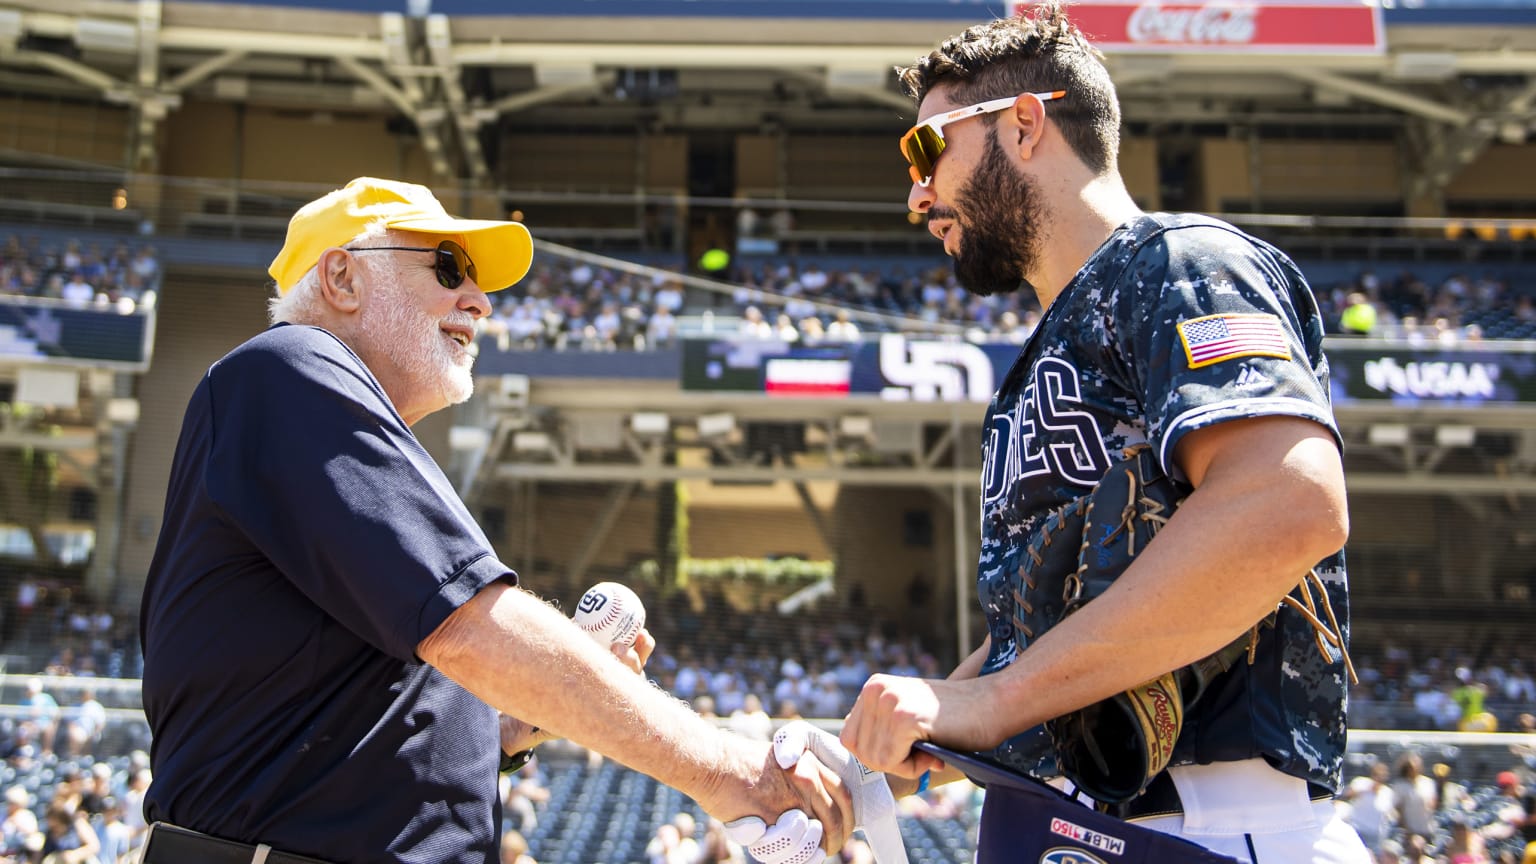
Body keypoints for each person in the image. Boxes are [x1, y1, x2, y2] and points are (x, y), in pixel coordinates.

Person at [139, 177, 852, 864]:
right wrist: (732, 773)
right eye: (448, 267)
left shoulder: (321, 426)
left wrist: (505, 728)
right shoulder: (288, 367)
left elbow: (353, 722)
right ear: (342, 279)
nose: (478, 300)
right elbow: (470, 632)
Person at [839, 6, 1367, 862]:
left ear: (1023, 122)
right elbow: (1047, 622)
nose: (916, 193)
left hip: (1211, 824)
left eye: (927, 148)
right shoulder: (1046, 348)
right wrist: (936, 719)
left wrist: (996, 702)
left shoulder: (1183, 263)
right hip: (1075, 824)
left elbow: (1288, 504)